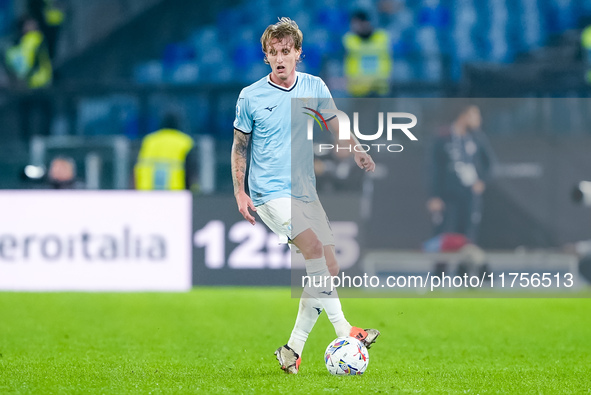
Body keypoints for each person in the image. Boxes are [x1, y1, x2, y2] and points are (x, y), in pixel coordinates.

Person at [231, 17, 379, 375]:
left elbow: (335, 123)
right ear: (265, 57)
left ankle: (292, 350)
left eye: (286, 51)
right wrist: (240, 191)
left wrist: (356, 148)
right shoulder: (251, 96)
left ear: (299, 53)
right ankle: (346, 330)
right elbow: (239, 146)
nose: (280, 58)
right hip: (270, 193)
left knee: (329, 267)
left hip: (305, 192)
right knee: (313, 249)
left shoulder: (313, 86)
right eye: (273, 53)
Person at [427, 104, 495, 244]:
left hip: (469, 193)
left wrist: (482, 181)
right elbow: (434, 167)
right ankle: (440, 264)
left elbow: (490, 163)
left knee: (467, 233)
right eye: (475, 115)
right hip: (447, 193)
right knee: (443, 233)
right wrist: (434, 196)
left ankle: (464, 265)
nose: (479, 120)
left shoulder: (477, 138)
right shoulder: (443, 136)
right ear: (464, 116)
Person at [134, 113, 198, 191]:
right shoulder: (185, 142)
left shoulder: (149, 140)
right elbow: (190, 171)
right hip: (175, 192)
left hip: (147, 192)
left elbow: (138, 168)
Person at [342, 10, 392, 97]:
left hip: (379, 87)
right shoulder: (349, 39)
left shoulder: (382, 37)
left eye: (357, 23)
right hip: (357, 89)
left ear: (365, 22)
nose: (354, 27)